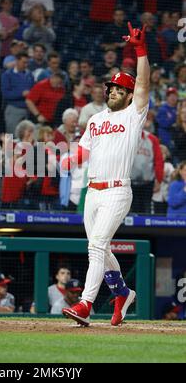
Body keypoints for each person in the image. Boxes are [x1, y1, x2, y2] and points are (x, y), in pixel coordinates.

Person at [62, 22, 150, 327]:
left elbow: (143, 84)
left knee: (96, 246)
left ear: (128, 95)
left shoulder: (133, 113)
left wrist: (139, 50)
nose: (112, 90)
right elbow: (84, 151)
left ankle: (86, 304)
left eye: (118, 88)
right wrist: (67, 160)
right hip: (92, 192)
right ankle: (122, 293)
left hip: (116, 191)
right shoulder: (96, 119)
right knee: (99, 247)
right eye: (110, 86)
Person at [130, 129, 164, 214]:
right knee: (132, 208)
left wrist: (158, 179)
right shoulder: (125, 137)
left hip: (148, 182)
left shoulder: (152, 139)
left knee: (146, 208)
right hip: (129, 181)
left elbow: (158, 160)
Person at [2, 51, 35, 135]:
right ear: (17, 61)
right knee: (12, 136)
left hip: (27, 110)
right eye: (24, 62)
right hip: (14, 110)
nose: (26, 65)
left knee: (26, 137)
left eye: (27, 63)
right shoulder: (7, 75)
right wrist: (21, 93)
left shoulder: (29, 74)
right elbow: (5, 94)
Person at [152, 145, 175, 215]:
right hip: (155, 197)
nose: (162, 155)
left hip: (166, 196)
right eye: (160, 153)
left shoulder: (169, 165)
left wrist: (165, 176)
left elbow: (174, 177)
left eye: (164, 153)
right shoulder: (151, 165)